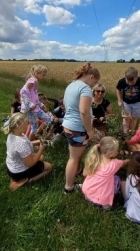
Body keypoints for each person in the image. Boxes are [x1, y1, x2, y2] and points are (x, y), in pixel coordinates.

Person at [62, 62, 100, 193]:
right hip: (78, 128)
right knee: (74, 158)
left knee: (73, 155)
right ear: (91, 77)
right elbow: (83, 111)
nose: (93, 85)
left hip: (68, 125)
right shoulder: (85, 89)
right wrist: (89, 130)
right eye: (95, 82)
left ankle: (75, 172)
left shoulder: (72, 85)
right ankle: (69, 187)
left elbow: (69, 106)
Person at [2, 112, 52, 191]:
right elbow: (30, 164)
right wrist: (41, 149)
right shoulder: (21, 143)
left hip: (11, 167)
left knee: (41, 158)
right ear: (18, 126)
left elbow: (27, 144)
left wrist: (40, 141)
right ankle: (27, 181)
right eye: (26, 123)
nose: (28, 125)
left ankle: (15, 179)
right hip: (20, 171)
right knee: (49, 167)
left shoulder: (13, 134)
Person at [82, 137, 129, 209]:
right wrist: (130, 160)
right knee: (117, 179)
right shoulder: (114, 164)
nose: (117, 152)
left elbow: (84, 174)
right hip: (103, 200)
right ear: (111, 153)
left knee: (114, 178)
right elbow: (125, 162)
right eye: (116, 150)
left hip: (87, 193)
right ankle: (105, 205)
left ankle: (91, 199)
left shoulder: (93, 159)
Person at [20, 65, 53, 141]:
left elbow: (34, 96)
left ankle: (37, 136)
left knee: (49, 119)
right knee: (34, 127)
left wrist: (41, 104)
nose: (44, 77)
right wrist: (30, 104)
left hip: (37, 109)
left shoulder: (35, 81)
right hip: (32, 110)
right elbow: (23, 92)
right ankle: (30, 143)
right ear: (38, 73)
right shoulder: (32, 80)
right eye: (43, 75)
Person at [116, 67, 140, 135]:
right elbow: (118, 89)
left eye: (132, 82)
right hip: (126, 103)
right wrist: (119, 100)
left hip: (137, 103)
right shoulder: (122, 81)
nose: (130, 84)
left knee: (134, 118)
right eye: (128, 82)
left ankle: (132, 132)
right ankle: (125, 134)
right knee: (126, 118)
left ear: (137, 77)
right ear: (125, 77)